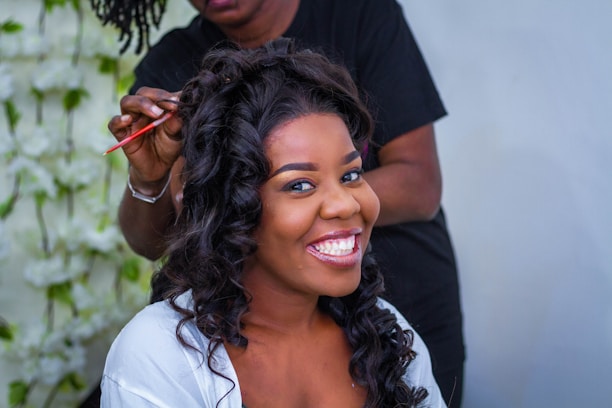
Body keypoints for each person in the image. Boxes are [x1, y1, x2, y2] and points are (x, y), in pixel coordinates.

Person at [95, 0, 464, 404]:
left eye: (351, 174)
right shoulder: (164, 358)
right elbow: (151, 240)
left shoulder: (395, 340)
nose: (342, 203)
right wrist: (150, 178)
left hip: (376, 307)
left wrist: (307, 202)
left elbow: (419, 184)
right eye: (299, 185)